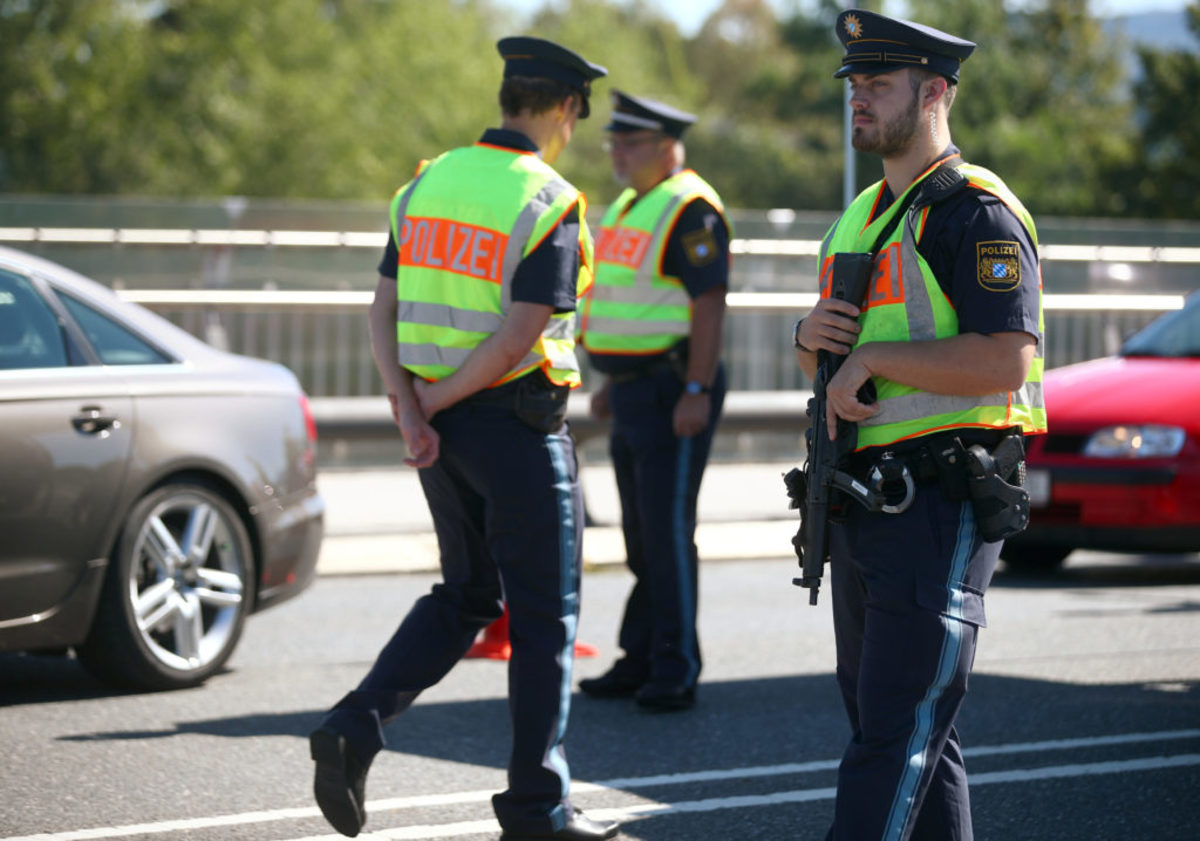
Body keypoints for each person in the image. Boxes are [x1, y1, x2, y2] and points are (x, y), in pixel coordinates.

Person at [308, 36, 621, 841]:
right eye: (577, 115)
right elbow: (520, 334)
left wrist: (413, 411)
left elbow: (381, 310)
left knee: (466, 594)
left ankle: (354, 723)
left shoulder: (426, 183)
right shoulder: (546, 197)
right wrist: (438, 401)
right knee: (546, 621)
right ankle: (536, 810)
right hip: (515, 429)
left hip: (441, 433)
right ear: (562, 108)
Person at [793, 10, 1045, 841]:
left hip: (939, 502)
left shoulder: (975, 213)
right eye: (855, 86)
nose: (858, 101)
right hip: (865, 502)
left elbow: (1007, 359)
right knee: (913, 739)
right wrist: (812, 342)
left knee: (891, 739)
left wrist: (876, 359)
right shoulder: (862, 214)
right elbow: (834, 366)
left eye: (878, 85)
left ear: (935, 92)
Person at [576, 91, 730, 712]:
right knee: (641, 536)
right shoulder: (634, 203)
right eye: (613, 141)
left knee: (666, 534)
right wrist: (613, 379)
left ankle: (675, 664)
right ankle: (640, 657)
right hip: (637, 389)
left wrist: (694, 387)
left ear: (667, 146)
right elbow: (630, 300)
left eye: (629, 142)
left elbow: (709, 304)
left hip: (673, 389)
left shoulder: (691, 208)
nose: (616, 151)